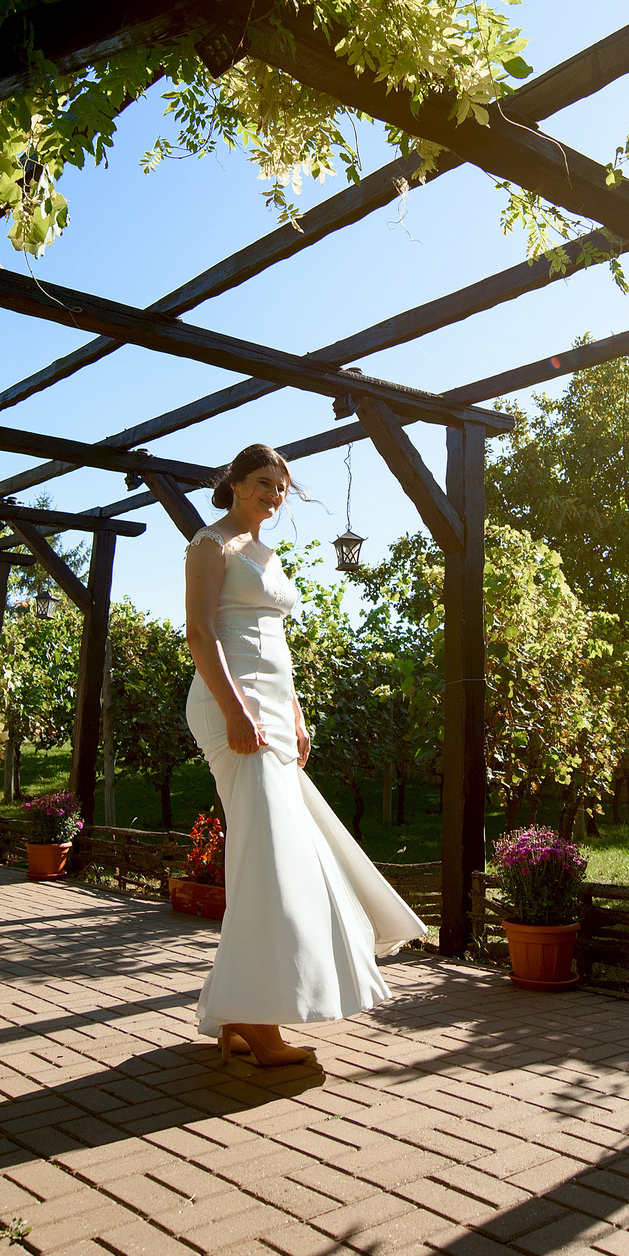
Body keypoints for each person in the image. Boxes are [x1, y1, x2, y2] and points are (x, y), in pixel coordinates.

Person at [184, 442, 426, 1067]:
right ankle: (256, 1017)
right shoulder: (210, 546)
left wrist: (295, 714)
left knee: (267, 855)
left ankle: (238, 1011)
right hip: (228, 703)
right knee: (270, 859)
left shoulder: (266, 552)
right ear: (235, 484)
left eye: (281, 486)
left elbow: (277, 640)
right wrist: (238, 711)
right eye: (264, 482)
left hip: (272, 708)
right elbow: (202, 634)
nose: (274, 494)